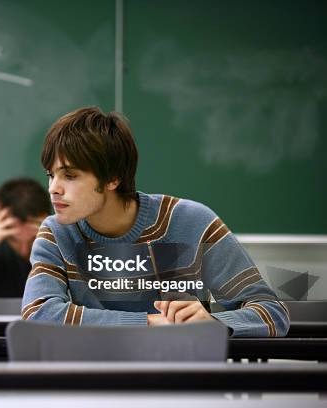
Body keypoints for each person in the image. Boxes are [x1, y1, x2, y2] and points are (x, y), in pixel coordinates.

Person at [22, 107, 290, 337]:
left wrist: (213, 323)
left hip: (182, 385)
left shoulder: (193, 222)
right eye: (51, 175)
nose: (53, 189)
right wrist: (150, 323)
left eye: (70, 175)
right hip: (99, 383)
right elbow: (39, 313)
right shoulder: (56, 232)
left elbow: (271, 312)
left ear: (112, 178)